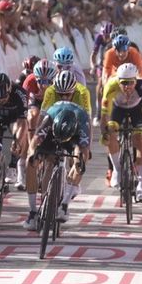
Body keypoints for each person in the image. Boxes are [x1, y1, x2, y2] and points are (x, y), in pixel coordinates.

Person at [24, 98, 90, 228]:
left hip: (73, 138)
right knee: (30, 161)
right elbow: (35, 141)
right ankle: (32, 211)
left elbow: (84, 149)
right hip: (51, 135)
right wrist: (33, 154)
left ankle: (64, 205)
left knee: (81, 161)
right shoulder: (50, 116)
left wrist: (78, 161)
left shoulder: (82, 119)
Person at [99, 63, 142, 203]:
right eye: (124, 83)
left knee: (140, 139)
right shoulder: (111, 86)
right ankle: (117, 170)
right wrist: (105, 133)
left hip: (137, 109)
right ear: (118, 81)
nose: (128, 86)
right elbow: (104, 116)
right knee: (110, 133)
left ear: (136, 80)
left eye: (131, 82)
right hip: (118, 109)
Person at [0, 72, 31, 188]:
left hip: (14, 118)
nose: (1, 100)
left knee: (20, 133)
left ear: (10, 91)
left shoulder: (20, 93)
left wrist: (18, 141)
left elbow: (22, 123)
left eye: (4, 97)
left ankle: (13, 166)